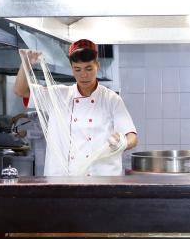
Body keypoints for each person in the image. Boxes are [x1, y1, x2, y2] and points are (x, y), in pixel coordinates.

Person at [13, 39, 138, 176]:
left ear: (97, 65)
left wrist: (122, 143)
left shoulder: (111, 99)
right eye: (77, 69)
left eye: (89, 68)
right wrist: (26, 62)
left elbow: (132, 137)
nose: (83, 75)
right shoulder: (59, 95)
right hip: (62, 179)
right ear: (71, 68)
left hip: (101, 179)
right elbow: (20, 90)